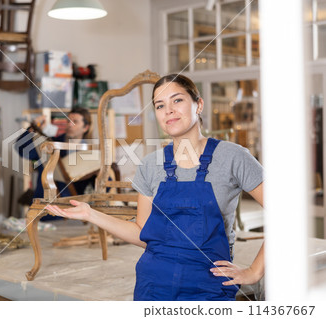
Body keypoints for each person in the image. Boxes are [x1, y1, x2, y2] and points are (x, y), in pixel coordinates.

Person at [46, 74, 265, 301]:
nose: (168, 110)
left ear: (198, 104)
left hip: (209, 287)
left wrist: (254, 271)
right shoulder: (151, 165)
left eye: (177, 100)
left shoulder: (233, 157)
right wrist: (91, 214)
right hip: (153, 286)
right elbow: (143, 233)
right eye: (160, 105)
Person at [15, 107, 95, 201]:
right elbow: (22, 149)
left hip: (70, 209)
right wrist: (33, 127)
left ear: (86, 127)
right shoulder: (50, 144)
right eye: (68, 121)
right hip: (43, 205)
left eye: (75, 122)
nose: (70, 124)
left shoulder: (89, 154)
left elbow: (105, 185)